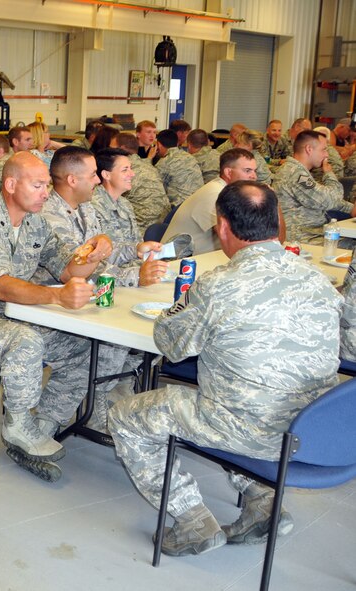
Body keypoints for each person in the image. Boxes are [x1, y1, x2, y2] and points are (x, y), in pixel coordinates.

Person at [110, 181, 342, 557]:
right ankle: (264, 505)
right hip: (313, 425)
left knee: (126, 416)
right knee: (231, 396)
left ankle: (191, 521)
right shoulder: (316, 278)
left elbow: (171, 343)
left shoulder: (218, 286)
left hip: (252, 428)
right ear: (274, 222)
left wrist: (182, 305)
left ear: (222, 228)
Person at [0, 152, 110, 482]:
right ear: (10, 185)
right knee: (25, 341)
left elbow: (69, 268)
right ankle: (17, 426)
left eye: (46, 185)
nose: (46, 192)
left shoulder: (35, 222)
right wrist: (58, 295)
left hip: (8, 317)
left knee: (82, 348)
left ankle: (41, 424)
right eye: (38, 185)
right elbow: (0, 286)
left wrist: (96, 252)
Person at [37, 147, 163, 430]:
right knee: (112, 341)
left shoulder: (84, 207)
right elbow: (82, 268)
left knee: (133, 328)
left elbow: (101, 254)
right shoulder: (50, 215)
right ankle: (60, 418)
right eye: (93, 175)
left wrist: (135, 249)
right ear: (72, 180)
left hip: (82, 299)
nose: (97, 181)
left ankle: (98, 402)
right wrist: (135, 278)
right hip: (51, 304)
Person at [91, 148, 168, 288]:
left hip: (133, 275)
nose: (132, 174)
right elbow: (98, 259)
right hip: (110, 281)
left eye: (131, 168)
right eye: (125, 170)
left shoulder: (125, 204)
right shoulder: (91, 206)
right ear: (106, 175)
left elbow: (137, 245)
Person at [162, 148, 259, 254]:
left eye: (255, 171)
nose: (254, 176)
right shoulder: (215, 193)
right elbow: (232, 236)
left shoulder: (231, 192)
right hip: (177, 262)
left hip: (204, 257)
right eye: (247, 171)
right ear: (228, 172)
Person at [272, 130, 355, 243]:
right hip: (303, 239)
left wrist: (350, 208)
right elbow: (329, 199)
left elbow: (321, 195)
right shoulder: (295, 174)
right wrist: (329, 174)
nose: (326, 154)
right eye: (323, 149)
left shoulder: (298, 171)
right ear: (309, 149)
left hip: (314, 233)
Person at [112, 132, 169, 234]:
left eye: (111, 147)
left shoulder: (122, 170)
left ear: (121, 148)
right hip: (161, 228)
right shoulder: (149, 166)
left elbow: (109, 199)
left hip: (140, 230)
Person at [154, 129, 204, 207]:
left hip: (178, 208)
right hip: (198, 204)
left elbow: (154, 188)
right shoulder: (190, 157)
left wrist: (149, 159)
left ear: (158, 145)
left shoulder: (163, 163)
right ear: (177, 143)